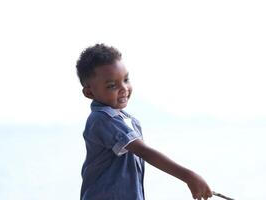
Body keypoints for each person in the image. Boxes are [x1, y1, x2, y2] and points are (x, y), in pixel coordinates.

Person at [76, 43, 213, 200]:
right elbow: (145, 152)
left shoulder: (128, 120)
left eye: (126, 79)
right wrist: (188, 176)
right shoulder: (102, 119)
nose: (124, 88)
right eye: (112, 85)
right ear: (89, 92)